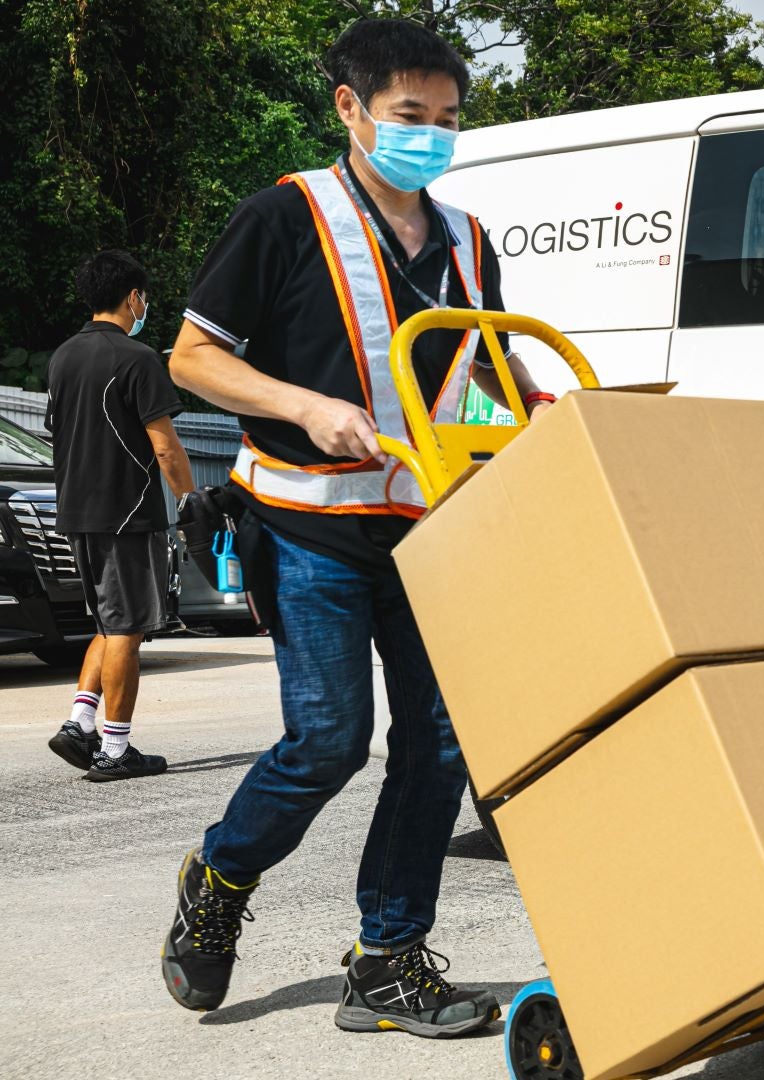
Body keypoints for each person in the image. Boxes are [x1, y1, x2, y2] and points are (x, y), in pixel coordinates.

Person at [161, 18, 553, 1037]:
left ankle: (386, 961)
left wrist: (537, 403)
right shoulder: (284, 216)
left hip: (425, 531)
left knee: (440, 744)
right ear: (352, 108)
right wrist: (303, 406)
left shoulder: (466, 239)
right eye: (408, 116)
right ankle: (219, 874)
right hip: (306, 526)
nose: (429, 134)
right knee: (328, 739)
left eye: (448, 119)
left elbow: (485, 362)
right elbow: (192, 360)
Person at [44, 250, 192, 782]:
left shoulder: (62, 357)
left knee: (109, 622)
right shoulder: (137, 358)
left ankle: (80, 722)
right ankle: (114, 749)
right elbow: (165, 446)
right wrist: (191, 501)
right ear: (134, 297)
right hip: (127, 513)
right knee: (128, 628)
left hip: (78, 513)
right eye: (144, 296)